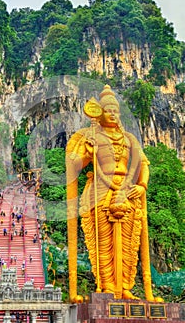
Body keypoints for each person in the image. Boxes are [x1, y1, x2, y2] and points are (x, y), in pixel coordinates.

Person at [66, 85, 162, 303]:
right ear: (99, 113)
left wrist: (142, 186)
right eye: (107, 110)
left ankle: (126, 287)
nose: (112, 113)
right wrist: (86, 152)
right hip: (100, 190)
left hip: (127, 192)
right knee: (104, 242)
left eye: (115, 110)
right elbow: (75, 165)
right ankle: (108, 286)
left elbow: (143, 165)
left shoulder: (129, 139)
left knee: (129, 241)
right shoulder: (92, 137)